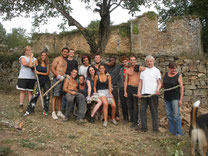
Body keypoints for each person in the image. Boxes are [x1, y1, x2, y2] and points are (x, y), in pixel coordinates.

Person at [137, 55, 162, 133]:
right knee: (142, 110)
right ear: (146, 62)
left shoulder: (156, 70)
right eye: (147, 61)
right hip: (144, 94)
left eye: (150, 61)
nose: (149, 62)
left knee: (154, 111)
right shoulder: (143, 70)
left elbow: (159, 83)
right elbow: (140, 82)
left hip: (153, 94)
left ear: (153, 61)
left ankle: (155, 129)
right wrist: (139, 92)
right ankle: (144, 128)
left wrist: (157, 89)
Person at [24, 51, 51, 116]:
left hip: (46, 81)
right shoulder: (36, 62)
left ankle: (45, 111)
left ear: (46, 56)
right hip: (38, 81)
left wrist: (39, 73)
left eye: (45, 55)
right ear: (40, 55)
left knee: (46, 96)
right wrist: (31, 57)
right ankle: (29, 110)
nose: (43, 56)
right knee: (35, 95)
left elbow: (47, 73)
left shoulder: (47, 63)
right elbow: (30, 65)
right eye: (42, 55)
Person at [163, 62, 184, 136]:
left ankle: (178, 132)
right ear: (169, 68)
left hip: (175, 98)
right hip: (167, 98)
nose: (174, 70)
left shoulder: (178, 76)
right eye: (172, 68)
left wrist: (180, 100)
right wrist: (157, 89)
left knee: (176, 115)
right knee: (169, 115)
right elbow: (163, 84)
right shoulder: (165, 75)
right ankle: (171, 131)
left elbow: (181, 89)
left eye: (175, 68)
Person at [124, 56, 145, 129]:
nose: (132, 62)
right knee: (130, 106)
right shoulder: (127, 70)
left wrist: (139, 66)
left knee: (136, 106)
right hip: (129, 88)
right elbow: (126, 81)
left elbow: (145, 69)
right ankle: (133, 121)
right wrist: (125, 91)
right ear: (129, 61)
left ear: (136, 61)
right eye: (131, 60)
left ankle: (136, 122)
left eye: (134, 60)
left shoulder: (139, 68)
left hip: (136, 88)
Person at [16, 46, 36, 113]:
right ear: (25, 51)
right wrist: (30, 60)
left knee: (30, 92)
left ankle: (30, 106)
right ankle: (21, 105)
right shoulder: (22, 57)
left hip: (31, 77)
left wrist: (31, 62)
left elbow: (34, 65)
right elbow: (24, 63)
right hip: (23, 76)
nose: (28, 51)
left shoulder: (35, 59)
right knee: (22, 91)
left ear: (31, 51)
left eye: (30, 50)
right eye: (27, 50)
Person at [51, 47, 68, 120]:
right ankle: (53, 112)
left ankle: (59, 111)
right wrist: (57, 76)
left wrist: (65, 76)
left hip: (63, 79)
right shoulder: (57, 59)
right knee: (55, 95)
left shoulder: (65, 61)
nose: (65, 53)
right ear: (61, 52)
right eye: (64, 52)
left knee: (60, 96)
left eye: (66, 52)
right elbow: (52, 68)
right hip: (57, 79)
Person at [62, 48, 78, 113]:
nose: (71, 53)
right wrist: (65, 75)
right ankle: (63, 108)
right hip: (66, 77)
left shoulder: (75, 62)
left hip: (73, 78)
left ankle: (71, 108)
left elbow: (76, 70)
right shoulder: (65, 60)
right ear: (68, 53)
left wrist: (75, 78)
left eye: (73, 52)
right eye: (70, 52)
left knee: (72, 92)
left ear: (74, 54)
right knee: (65, 92)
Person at [118, 56, 129, 123]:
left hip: (130, 88)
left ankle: (132, 118)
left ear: (128, 61)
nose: (125, 63)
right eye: (123, 62)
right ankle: (125, 118)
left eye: (126, 61)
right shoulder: (121, 70)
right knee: (123, 104)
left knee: (130, 104)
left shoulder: (131, 69)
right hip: (122, 88)